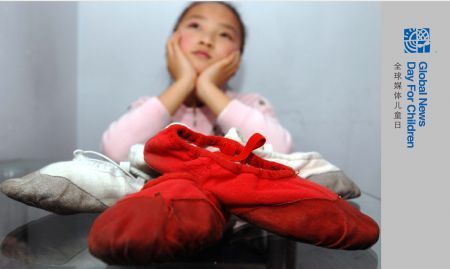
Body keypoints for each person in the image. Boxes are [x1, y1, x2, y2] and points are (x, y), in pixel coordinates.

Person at [101, 1, 293, 161]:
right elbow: (114, 152)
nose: (207, 40)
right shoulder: (149, 108)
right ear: (172, 42)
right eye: (195, 26)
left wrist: (207, 88)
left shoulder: (251, 105)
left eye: (225, 34)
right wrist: (183, 83)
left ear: (236, 59)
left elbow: (280, 154)